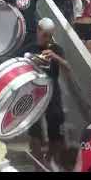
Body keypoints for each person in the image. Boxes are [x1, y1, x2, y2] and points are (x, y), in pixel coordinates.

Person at [17, 18, 70, 170]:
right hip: (32, 92)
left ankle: (50, 159)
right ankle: (38, 165)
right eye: (45, 34)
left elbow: (68, 68)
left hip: (52, 91)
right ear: (38, 30)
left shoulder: (56, 49)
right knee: (34, 130)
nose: (47, 38)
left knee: (56, 126)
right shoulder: (27, 49)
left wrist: (55, 57)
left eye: (50, 36)